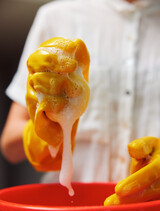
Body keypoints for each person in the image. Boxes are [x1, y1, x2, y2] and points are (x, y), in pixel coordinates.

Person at [1, 0, 160, 184]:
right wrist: (45, 131)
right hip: (69, 207)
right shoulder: (57, 17)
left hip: (151, 209)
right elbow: (10, 145)